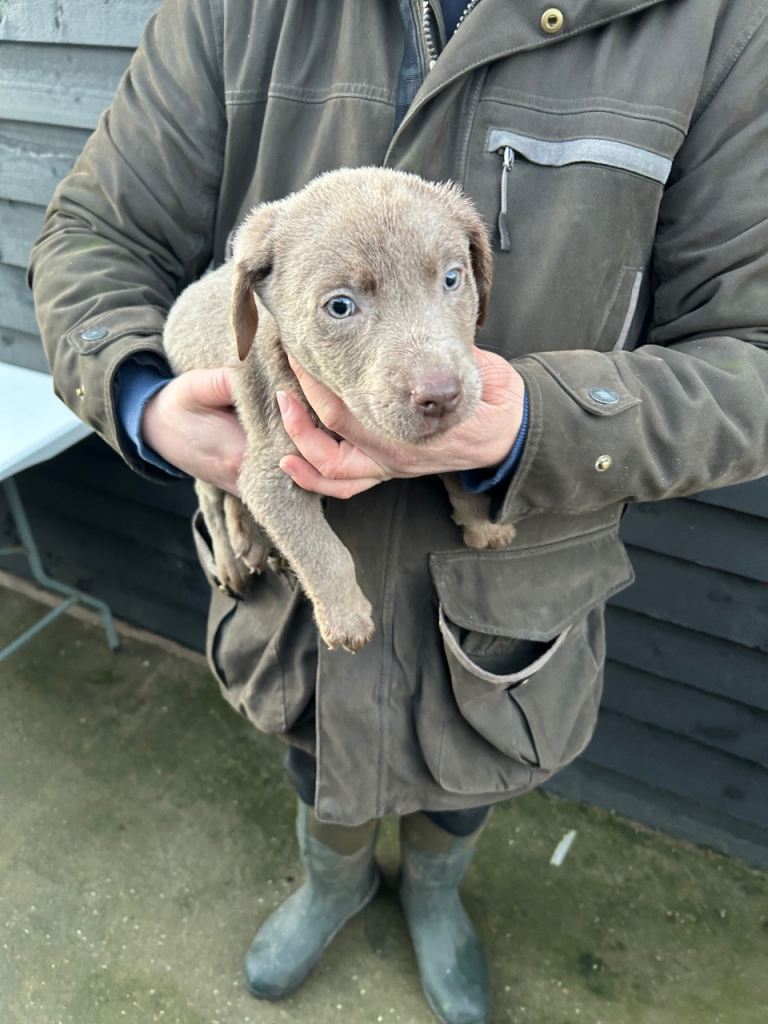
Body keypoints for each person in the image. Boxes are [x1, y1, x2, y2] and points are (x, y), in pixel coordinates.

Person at [29, 2, 768, 1022]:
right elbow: (90, 239)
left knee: (468, 790)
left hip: (508, 607)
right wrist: (148, 406)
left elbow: (755, 357)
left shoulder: (718, 26)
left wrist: (531, 423)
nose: (434, 361)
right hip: (294, 612)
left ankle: (433, 894)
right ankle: (335, 884)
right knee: (312, 768)